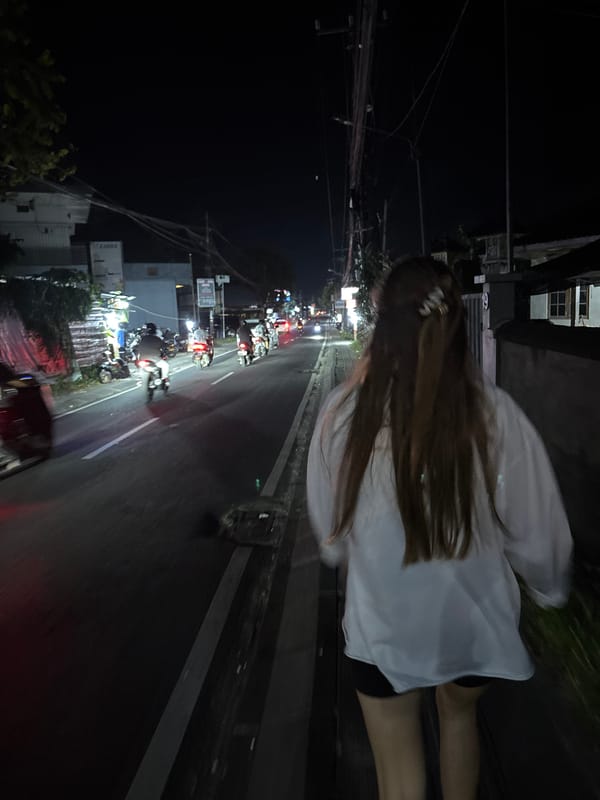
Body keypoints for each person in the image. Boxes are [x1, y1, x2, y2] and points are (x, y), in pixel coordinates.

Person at [306, 256, 573, 800]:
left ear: (380, 324)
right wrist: (548, 590)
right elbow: (539, 532)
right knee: (458, 720)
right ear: (455, 328)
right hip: (472, 625)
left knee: (398, 776)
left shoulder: (343, 414)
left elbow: (331, 535)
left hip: (383, 630)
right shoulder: (495, 414)